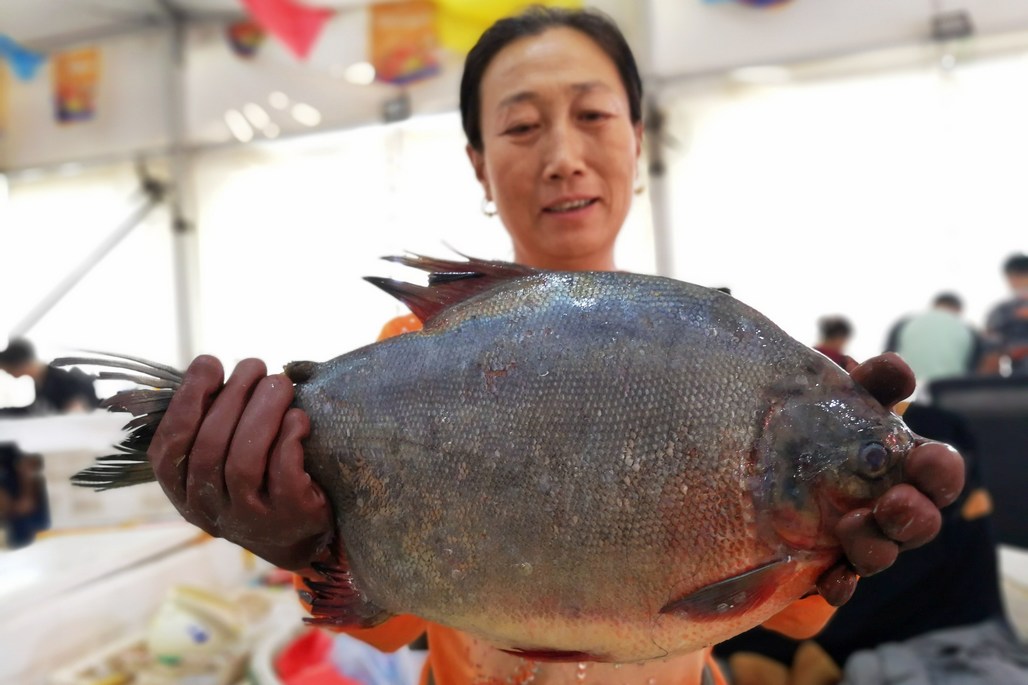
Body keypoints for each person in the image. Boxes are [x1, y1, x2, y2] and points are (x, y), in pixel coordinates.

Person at [137, 8, 965, 685]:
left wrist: (846, 538)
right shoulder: (412, 352)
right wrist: (307, 540)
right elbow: (389, 623)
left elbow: (774, 605)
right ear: (478, 162)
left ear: (637, 139)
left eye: (594, 115)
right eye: (523, 125)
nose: (564, 157)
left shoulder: (726, 351)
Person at [884, 293, 982, 400]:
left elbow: (885, 360)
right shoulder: (970, 331)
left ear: (934, 305)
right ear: (958, 310)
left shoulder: (904, 323)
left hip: (906, 394)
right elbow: (975, 372)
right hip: (948, 395)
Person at [0, 338, 100, 414]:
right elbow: (35, 409)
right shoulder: (40, 381)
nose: (8, 373)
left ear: (21, 364)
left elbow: (82, 401)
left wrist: (79, 405)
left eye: (8, 370)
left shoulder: (64, 379)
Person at [980, 253, 1028, 376]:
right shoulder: (1002, 310)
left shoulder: (1002, 311)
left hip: (1020, 384)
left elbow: (991, 355)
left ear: (1010, 278)